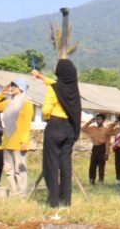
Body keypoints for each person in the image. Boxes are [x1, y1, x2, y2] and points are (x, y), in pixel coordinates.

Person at [34, 60, 82, 208]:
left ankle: (53, 200)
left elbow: (46, 110)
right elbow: (54, 83)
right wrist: (41, 77)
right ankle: (66, 200)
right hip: (70, 129)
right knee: (65, 165)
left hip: (55, 126)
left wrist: (47, 118)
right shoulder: (73, 89)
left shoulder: (53, 89)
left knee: (52, 163)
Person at [0, 77, 34, 196]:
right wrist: (1, 93)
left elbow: (26, 123)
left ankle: (21, 192)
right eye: (11, 85)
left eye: (15, 86)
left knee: (20, 168)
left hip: (19, 141)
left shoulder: (26, 102)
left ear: (21, 88)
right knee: (9, 169)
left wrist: (24, 141)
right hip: (8, 140)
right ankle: (14, 191)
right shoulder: (8, 101)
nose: (12, 88)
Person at [82, 114, 111, 185]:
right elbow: (83, 129)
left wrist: (107, 153)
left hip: (102, 148)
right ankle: (92, 180)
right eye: (97, 119)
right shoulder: (93, 128)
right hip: (95, 148)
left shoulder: (106, 130)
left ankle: (101, 181)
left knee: (101, 165)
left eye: (100, 119)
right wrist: (90, 122)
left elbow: (107, 142)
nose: (98, 121)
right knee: (92, 165)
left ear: (103, 121)